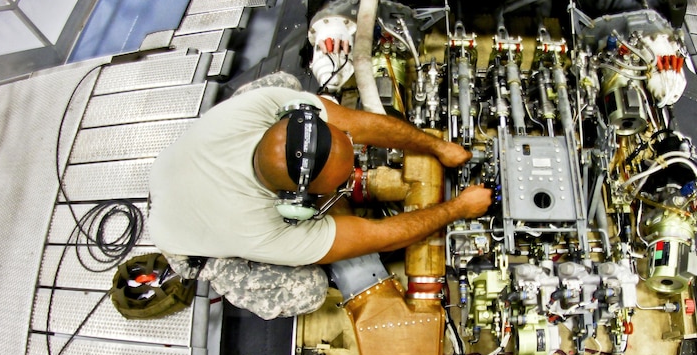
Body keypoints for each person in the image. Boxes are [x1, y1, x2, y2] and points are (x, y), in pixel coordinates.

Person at [147, 81, 492, 315]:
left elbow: (363, 125)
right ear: (295, 206)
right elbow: (383, 238)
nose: (358, 165)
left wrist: (437, 146)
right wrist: (458, 208)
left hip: (172, 167)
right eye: (345, 178)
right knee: (309, 288)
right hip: (182, 239)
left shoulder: (259, 109)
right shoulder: (261, 230)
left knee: (283, 82)